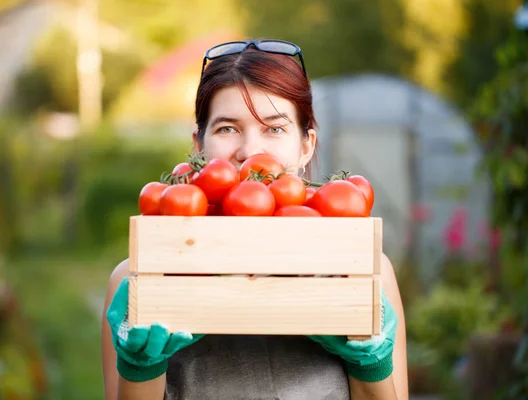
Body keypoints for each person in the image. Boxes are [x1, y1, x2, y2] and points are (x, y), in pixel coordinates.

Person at [101, 39, 408, 400]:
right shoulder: (136, 280)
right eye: (227, 129)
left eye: (274, 129)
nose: (249, 152)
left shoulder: (364, 273)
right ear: (199, 146)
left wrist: (370, 363)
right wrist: (141, 367)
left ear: (306, 146)